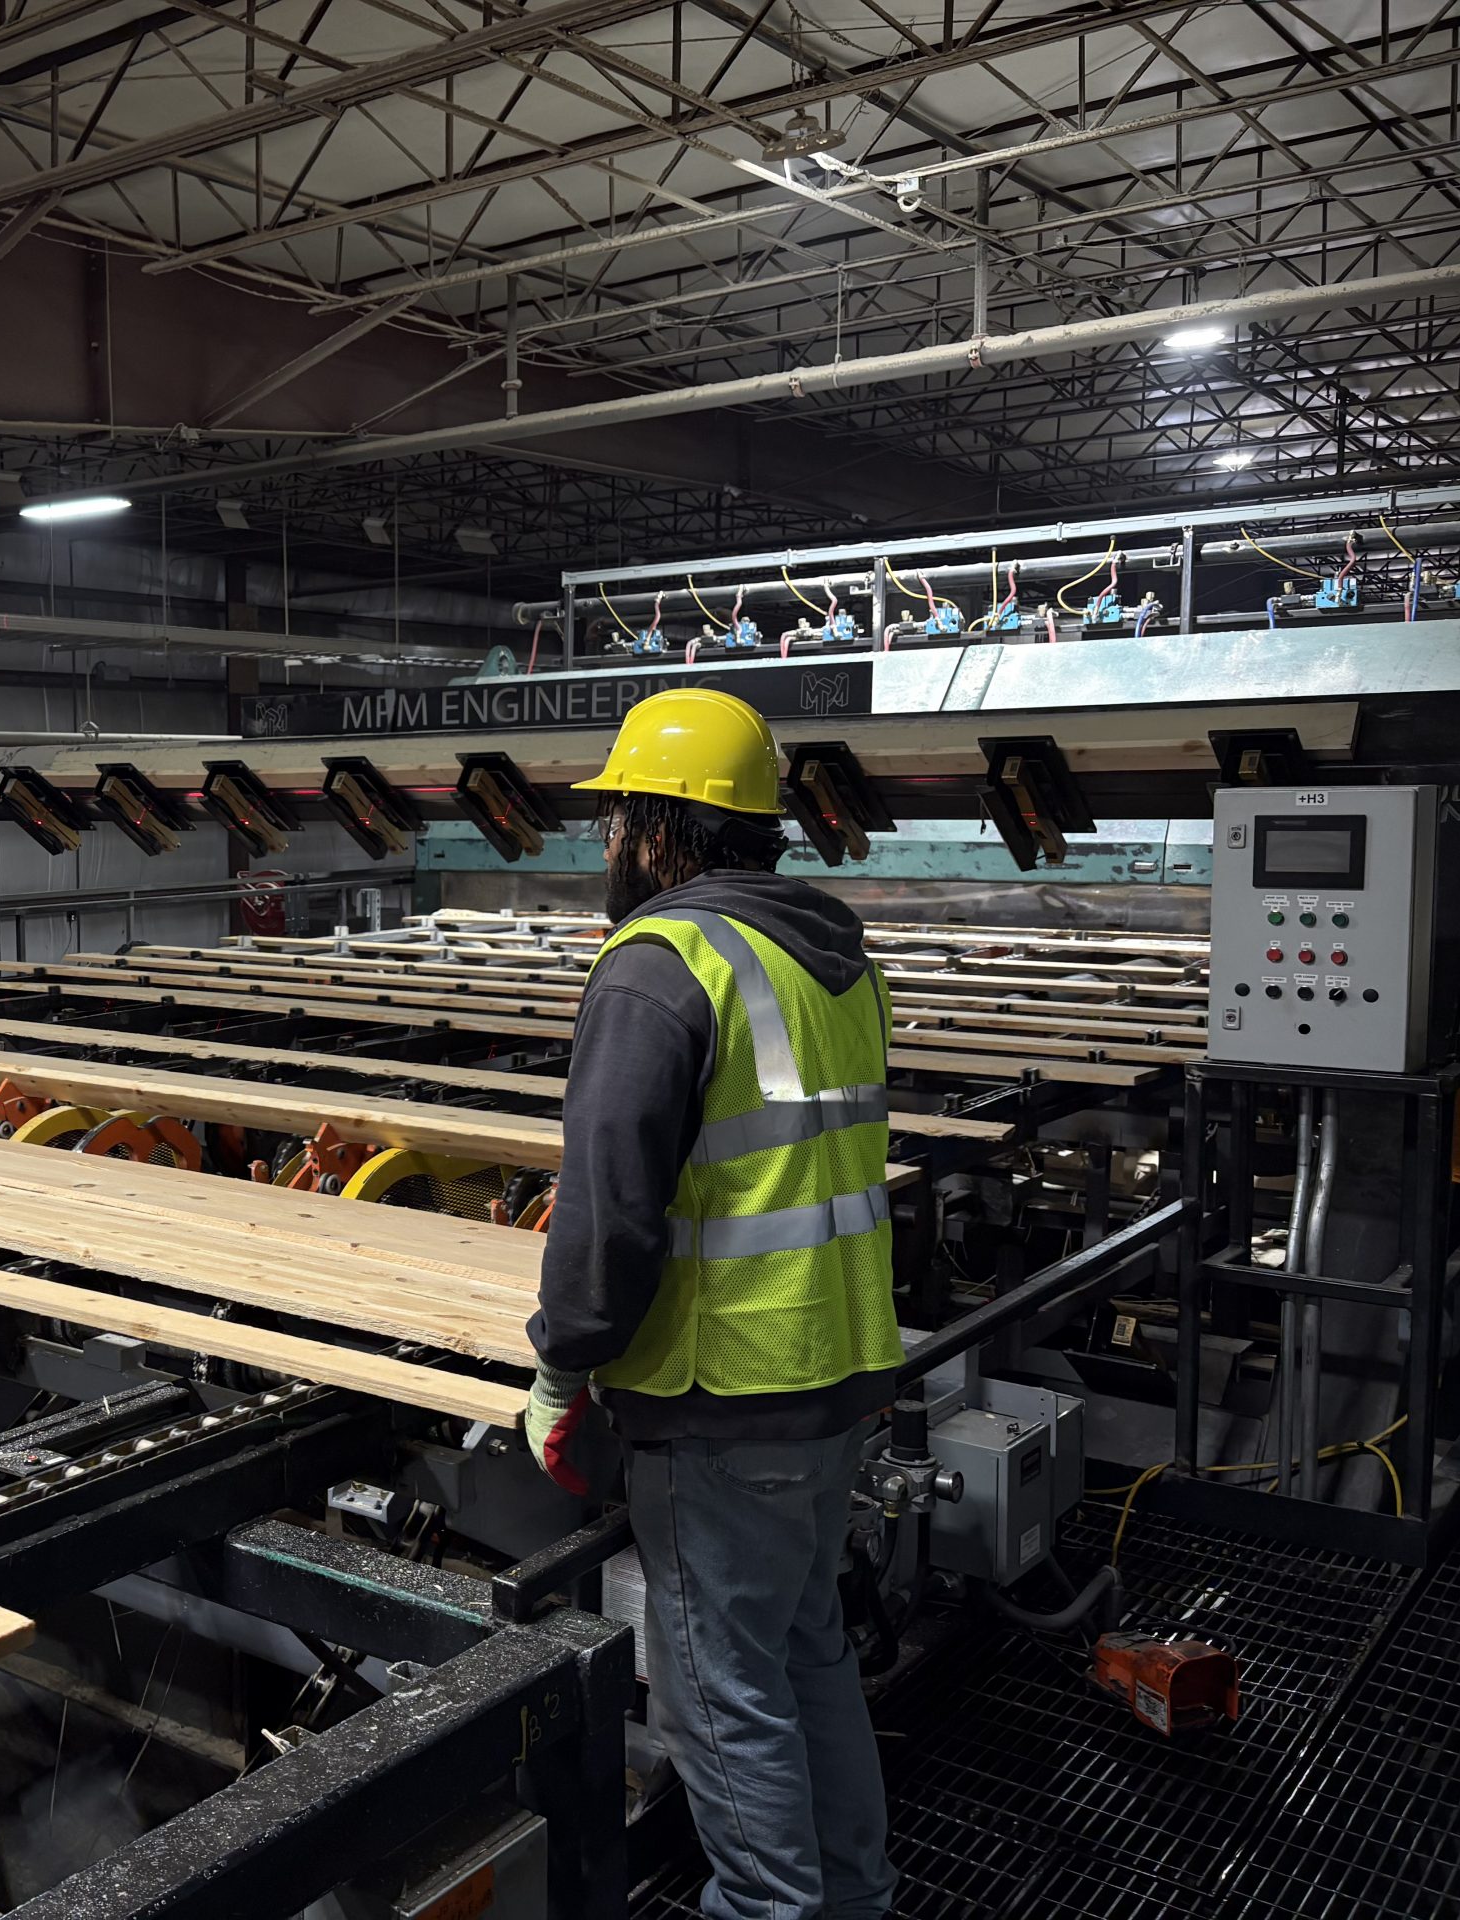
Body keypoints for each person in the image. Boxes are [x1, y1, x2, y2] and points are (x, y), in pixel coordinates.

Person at [524, 686, 902, 1920]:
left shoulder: (658, 964)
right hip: (833, 1372)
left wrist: (560, 1369)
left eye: (618, 816)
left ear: (661, 827)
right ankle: (854, 1900)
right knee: (807, 1658)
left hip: (719, 1394)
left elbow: (608, 1210)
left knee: (718, 1696)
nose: (606, 844)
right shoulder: (832, 957)